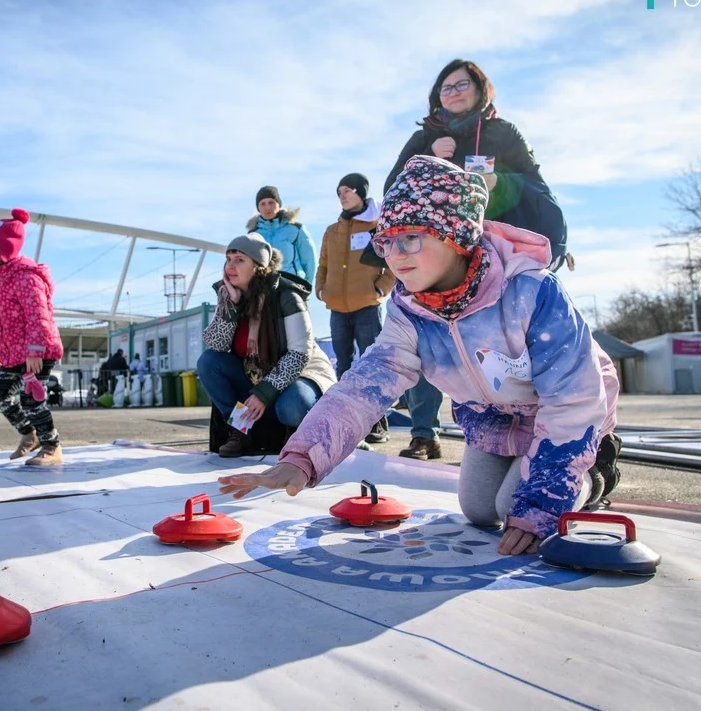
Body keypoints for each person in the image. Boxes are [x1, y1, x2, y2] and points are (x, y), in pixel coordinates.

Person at [219, 157, 622, 556]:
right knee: (480, 510)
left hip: (572, 413)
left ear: (456, 234)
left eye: (410, 237)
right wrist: (303, 458)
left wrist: (540, 509)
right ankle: (530, 466)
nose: (395, 255)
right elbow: (363, 389)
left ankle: (597, 468)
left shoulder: (531, 291)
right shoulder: (410, 309)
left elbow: (573, 401)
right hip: (495, 417)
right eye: (386, 242)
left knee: (515, 508)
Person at [381, 59, 570, 462]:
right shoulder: (425, 137)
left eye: (460, 84)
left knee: (511, 345)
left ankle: (541, 432)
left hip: (497, 257)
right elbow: (393, 188)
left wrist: (501, 182)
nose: (453, 92)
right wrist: (429, 155)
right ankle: (423, 432)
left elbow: (538, 186)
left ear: (480, 89)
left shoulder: (503, 133)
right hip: (440, 257)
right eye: (445, 88)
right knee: (429, 340)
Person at [197, 233, 335, 457]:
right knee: (209, 362)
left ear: (258, 266)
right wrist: (230, 308)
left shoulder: (287, 295)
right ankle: (240, 431)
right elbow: (217, 345)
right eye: (228, 259)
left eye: (239, 260)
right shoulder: (228, 296)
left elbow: (300, 353)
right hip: (256, 377)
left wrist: (265, 393)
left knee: (293, 405)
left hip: (302, 375)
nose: (230, 266)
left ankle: (299, 440)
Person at [0, 208, 66, 466]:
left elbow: (38, 315)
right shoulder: (0, 282)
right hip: (14, 352)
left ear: (5, 247)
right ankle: (30, 435)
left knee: (31, 399)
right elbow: (4, 323)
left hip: (38, 351)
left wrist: (35, 351)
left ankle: (53, 446)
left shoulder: (27, 278)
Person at [315, 172, 394, 446]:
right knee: (344, 366)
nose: (343, 196)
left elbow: (393, 261)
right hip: (337, 307)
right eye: (339, 192)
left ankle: (377, 423)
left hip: (367, 307)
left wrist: (381, 288)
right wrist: (321, 288)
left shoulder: (377, 226)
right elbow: (323, 264)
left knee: (372, 365)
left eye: (347, 190)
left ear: (361, 192)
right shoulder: (332, 231)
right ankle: (349, 421)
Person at [248, 186, 317, 282]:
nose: (267, 207)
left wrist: (307, 286)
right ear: (258, 208)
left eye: (271, 202)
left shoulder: (295, 229)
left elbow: (309, 260)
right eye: (263, 204)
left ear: (279, 204)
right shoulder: (253, 235)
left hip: (292, 284)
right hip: (263, 287)